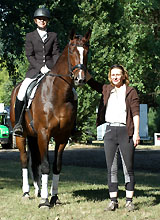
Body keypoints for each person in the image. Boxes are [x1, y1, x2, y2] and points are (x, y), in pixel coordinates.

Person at [86, 64, 140, 212]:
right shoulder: (106, 89)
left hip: (125, 131)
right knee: (112, 168)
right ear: (110, 77)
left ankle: (129, 201)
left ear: (123, 76)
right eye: (113, 75)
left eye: (118, 74)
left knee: (128, 168)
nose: (115, 77)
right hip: (109, 132)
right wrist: (82, 68)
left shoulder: (130, 91)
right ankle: (113, 201)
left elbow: (135, 113)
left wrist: (136, 133)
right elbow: (92, 83)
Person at [13, 7, 60, 136]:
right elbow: (29, 55)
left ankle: (71, 125)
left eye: (44, 19)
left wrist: (52, 67)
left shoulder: (53, 36)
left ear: (47, 21)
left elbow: (56, 53)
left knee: (72, 92)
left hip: (51, 70)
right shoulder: (30, 36)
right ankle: (18, 124)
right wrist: (41, 67)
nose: (42, 21)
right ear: (35, 21)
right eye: (40, 19)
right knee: (21, 93)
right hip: (34, 71)